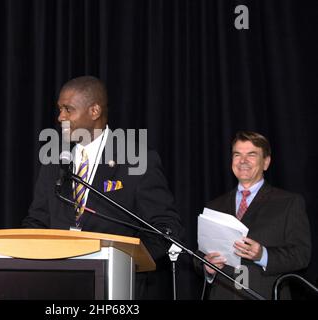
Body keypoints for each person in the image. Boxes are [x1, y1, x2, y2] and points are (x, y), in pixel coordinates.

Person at [22, 75, 183, 299]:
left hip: (115, 286)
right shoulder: (54, 160)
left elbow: (165, 228)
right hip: (57, 284)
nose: (61, 117)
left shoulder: (135, 160)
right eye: (60, 109)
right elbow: (37, 221)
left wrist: (125, 261)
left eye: (68, 109)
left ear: (94, 111)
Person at [199, 131, 311, 299]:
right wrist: (207, 266)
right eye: (237, 155)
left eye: (251, 155)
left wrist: (263, 255)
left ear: (266, 162)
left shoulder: (289, 202)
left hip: (265, 294)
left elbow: (301, 255)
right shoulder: (214, 206)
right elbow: (200, 254)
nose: (243, 161)